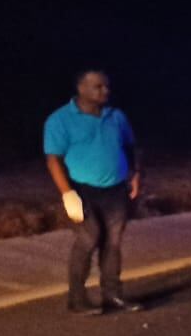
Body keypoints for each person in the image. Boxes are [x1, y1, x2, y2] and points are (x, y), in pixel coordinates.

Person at [44, 69, 143, 314]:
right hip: (82, 190)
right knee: (89, 238)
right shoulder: (60, 119)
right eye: (98, 87)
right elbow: (53, 160)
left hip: (116, 189)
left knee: (113, 242)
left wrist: (136, 173)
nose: (105, 91)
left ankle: (112, 295)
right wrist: (67, 193)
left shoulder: (116, 116)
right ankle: (76, 299)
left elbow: (131, 146)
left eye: (106, 86)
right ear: (81, 88)